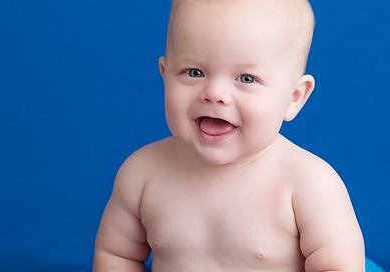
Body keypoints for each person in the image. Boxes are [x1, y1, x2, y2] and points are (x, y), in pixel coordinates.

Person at [93, 0, 365, 271]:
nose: (214, 93)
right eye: (194, 72)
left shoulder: (308, 184)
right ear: (165, 76)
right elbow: (117, 255)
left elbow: (338, 266)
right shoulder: (142, 173)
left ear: (294, 98)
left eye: (246, 78)